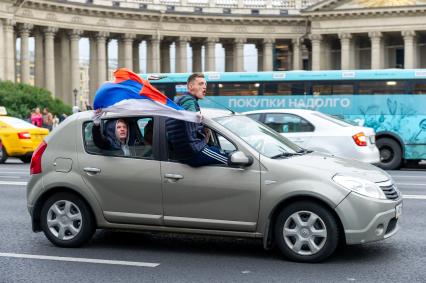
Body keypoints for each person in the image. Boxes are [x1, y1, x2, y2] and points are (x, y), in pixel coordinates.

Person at [166, 73, 228, 167]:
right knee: (230, 159)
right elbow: (191, 115)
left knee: (219, 151)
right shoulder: (188, 100)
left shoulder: (180, 100)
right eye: (201, 84)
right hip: (194, 152)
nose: (204, 87)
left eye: (205, 84)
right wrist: (197, 116)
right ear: (191, 86)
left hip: (183, 153)